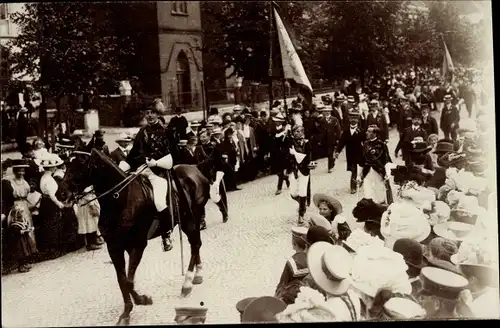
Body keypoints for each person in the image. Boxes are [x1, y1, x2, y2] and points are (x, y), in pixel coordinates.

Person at [122, 103, 174, 251]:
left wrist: (156, 162)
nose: (150, 115)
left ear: (158, 114)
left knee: (159, 202)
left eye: (153, 112)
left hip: (159, 172)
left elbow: (171, 154)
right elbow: (133, 153)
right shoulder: (141, 132)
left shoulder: (165, 132)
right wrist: (124, 166)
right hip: (140, 170)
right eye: (147, 112)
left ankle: (166, 235)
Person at [36, 155, 70, 259]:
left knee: (49, 225)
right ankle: (53, 250)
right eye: (54, 166)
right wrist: (60, 204)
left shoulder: (44, 177)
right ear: (51, 168)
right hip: (50, 203)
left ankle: (52, 249)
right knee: (53, 225)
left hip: (46, 203)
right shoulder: (49, 179)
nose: (55, 168)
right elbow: (52, 195)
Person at [275, 226, 309, 305]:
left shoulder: (292, 262)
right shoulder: (312, 260)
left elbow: (282, 284)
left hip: (291, 303)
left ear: (294, 243)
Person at [360, 125, 392, 205]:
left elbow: (387, 159)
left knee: (379, 193)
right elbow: (361, 160)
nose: (366, 133)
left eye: (369, 131)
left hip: (378, 171)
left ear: (375, 134)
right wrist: (358, 174)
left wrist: (388, 172)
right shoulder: (365, 144)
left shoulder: (381, 145)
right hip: (367, 171)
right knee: (367, 191)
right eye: (367, 131)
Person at [287, 125, 313, 225]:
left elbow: (308, 156)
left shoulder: (306, 143)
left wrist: (296, 154)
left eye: (300, 131)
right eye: (296, 131)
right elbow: (287, 155)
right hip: (293, 170)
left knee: (303, 191)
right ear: (293, 133)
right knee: (293, 193)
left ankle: (301, 214)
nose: (299, 133)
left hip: (304, 170)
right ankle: (302, 203)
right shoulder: (290, 143)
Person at [336, 108, 365, 194]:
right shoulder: (346, 131)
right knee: (353, 170)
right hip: (350, 154)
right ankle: (357, 181)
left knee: (356, 170)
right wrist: (337, 151)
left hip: (359, 153)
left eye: (355, 118)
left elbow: (365, 142)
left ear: (358, 119)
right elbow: (342, 142)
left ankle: (353, 187)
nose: (353, 120)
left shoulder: (361, 131)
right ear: (349, 119)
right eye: (351, 118)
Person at [74, 186, 104, 251]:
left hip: (85, 205)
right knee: (89, 225)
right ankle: (90, 244)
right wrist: (93, 207)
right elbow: (88, 197)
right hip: (87, 207)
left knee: (93, 224)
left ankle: (95, 240)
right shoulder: (85, 186)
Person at [272, 113, 291, 195]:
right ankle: (286, 178)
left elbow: (288, 143)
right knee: (277, 171)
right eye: (276, 121)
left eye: (278, 121)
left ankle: (279, 188)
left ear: (281, 122)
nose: (276, 122)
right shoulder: (274, 130)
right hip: (275, 154)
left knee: (280, 172)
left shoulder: (285, 131)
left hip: (283, 154)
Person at [320, 106, 341, 173]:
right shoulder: (322, 120)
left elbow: (338, 129)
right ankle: (333, 161)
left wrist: (338, 138)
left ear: (330, 112)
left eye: (328, 111)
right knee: (329, 153)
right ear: (323, 112)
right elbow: (320, 130)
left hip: (333, 138)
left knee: (330, 153)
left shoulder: (334, 119)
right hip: (325, 139)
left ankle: (330, 167)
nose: (327, 113)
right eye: (325, 111)